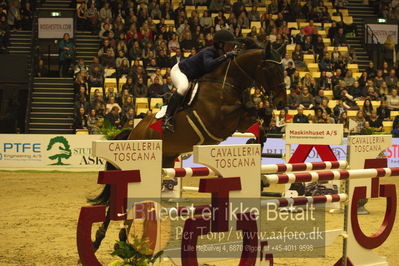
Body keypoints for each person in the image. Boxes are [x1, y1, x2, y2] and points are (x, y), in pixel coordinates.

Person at [162, 30, 239, 133]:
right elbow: (208, 65)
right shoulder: (209, 51)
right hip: (180, 72)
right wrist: (225, 56)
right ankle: (168, 118)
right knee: (183, 88)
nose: (232, 48)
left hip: (193, 76)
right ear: (220, 44)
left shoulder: (221, 54)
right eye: (230, 45)